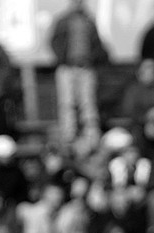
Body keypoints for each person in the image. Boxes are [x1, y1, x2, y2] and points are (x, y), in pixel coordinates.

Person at [49, 0, 109, 152]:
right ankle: (69, 133)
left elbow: (97, 44)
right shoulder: (62, 21)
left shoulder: (89, 21)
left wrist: (93, 58)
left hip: (86, 67)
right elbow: (54, 41)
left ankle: (91, 133)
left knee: (88, 102)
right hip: (67, 67)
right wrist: (61, 57)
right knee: (67, 102)